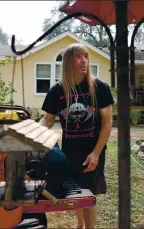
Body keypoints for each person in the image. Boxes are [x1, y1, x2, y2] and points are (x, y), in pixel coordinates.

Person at [39, 43, 114, 229]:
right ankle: (80, 225)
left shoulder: (99, 88)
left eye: (86, 57)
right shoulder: (58, 90)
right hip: (70, 151)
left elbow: (107, 123)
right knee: (75, 191)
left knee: (88, 195)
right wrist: (30, 131)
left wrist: (96, 153)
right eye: (78, 57)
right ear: (68, 62)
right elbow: (47, 120)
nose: (84, 61)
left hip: (91, 151)